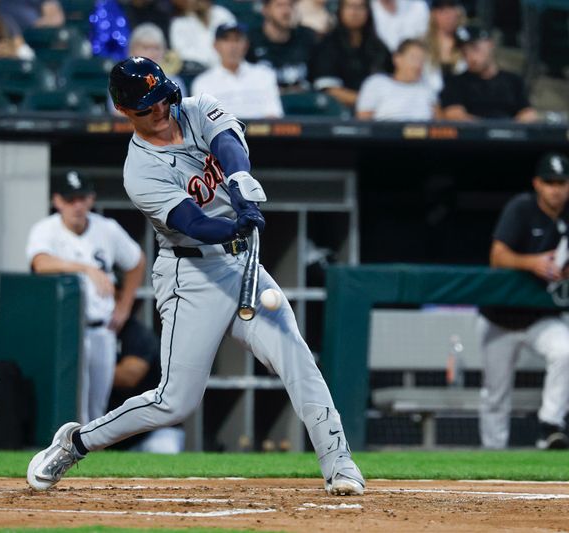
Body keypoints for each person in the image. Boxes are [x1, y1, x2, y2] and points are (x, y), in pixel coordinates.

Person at [27, 56, 366, 496]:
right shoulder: (140, 170)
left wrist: (241, 185)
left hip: (244, 266)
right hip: (192, 274)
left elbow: (228, 142)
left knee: (298, 360)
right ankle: (77, 442)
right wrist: (234, 225)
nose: (162, 110)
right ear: (125, 111)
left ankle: (339, 464)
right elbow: (195, 223)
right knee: (175, 401)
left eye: (163, 97)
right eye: (148, 106)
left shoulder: (197, 106)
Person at [25, 171, 146, 424]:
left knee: (97, 410)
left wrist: (124, 306)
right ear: (57, 201)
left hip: (102, 329)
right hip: (67, 332)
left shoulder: (107, 229)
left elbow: (136, 261)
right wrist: (86, 268)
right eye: (71, 200)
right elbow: (40, 262)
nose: (77, 206)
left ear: (91, 199)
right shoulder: (46, 229)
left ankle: (93, 459)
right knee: (72, 408)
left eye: (82, 198)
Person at [478, 153, 569, 450]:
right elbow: (497, 256)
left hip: (541, 316)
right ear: (537, 184)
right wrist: (533, 262)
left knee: (565, 350)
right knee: (496, 394)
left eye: (562, 182)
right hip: (500, 318)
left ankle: (550, 424)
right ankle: (493, 456)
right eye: (549, 182)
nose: (556, 189)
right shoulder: (521, 208)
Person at [108, 315, 184, 453]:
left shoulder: (136, 332)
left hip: (154, 430)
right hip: (113, 436)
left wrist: (89, 372)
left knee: (162, 450)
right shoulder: (88, 334)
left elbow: (129, 377)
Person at [440, 25, 537, 122]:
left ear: (490, 45)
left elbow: (528, 113)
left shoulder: (513, 81)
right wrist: (488, 129)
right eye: (465, 52)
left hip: (510, 134)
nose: (471, 57)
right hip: (473, 136)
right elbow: (454, 115)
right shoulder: (455, 82)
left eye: (475, 48)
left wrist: (509, 129)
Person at [309, 0, 392, 109]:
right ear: (340, 10)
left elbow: (390, 78)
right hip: (338, 114)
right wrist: (366, 101)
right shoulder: (327, 45)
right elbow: (329, 89)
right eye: (350, 7)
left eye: (360, 7)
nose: (355, 12)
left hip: (378, 112)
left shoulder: (378, 46)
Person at [191, 23, 283, 119]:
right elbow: (204, 123)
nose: (233, 46)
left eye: (237, 40)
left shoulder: (264, 75)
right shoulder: (203, 82)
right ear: (216, 46)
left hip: (261, 132)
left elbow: (273, 115)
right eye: (226, 40)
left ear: (246, 45)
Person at [356, 38, 436, 121]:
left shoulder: (427, 89)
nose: (418, 65)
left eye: (422, 60)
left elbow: (440, 125)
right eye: (414, 58)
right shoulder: (376, 83)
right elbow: (364, 123)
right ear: (397, 59)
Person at [247, 0, 318, 92]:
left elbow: (318, 79)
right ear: (265, 10)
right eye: (279, 5)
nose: (286, 11)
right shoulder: (250, 41)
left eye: (290, 5)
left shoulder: (307, 37)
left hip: (304, 102)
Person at [169, 0, 235, 69]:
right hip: (198, 71)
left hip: (228, 65)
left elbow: (234, 39)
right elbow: (183, 53)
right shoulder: (179, 23)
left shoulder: (222, 13)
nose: (199, 3)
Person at [422, 0, 466, 96]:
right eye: (442, 10)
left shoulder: (466, 43)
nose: (448, 15)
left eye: (451, 9)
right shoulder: (422, 44)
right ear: (433, 14)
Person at [0, 0, 64, 32]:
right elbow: (34, 26)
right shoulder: (5, 4)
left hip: (48, 39)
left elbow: (57, 19)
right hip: (24, 43)